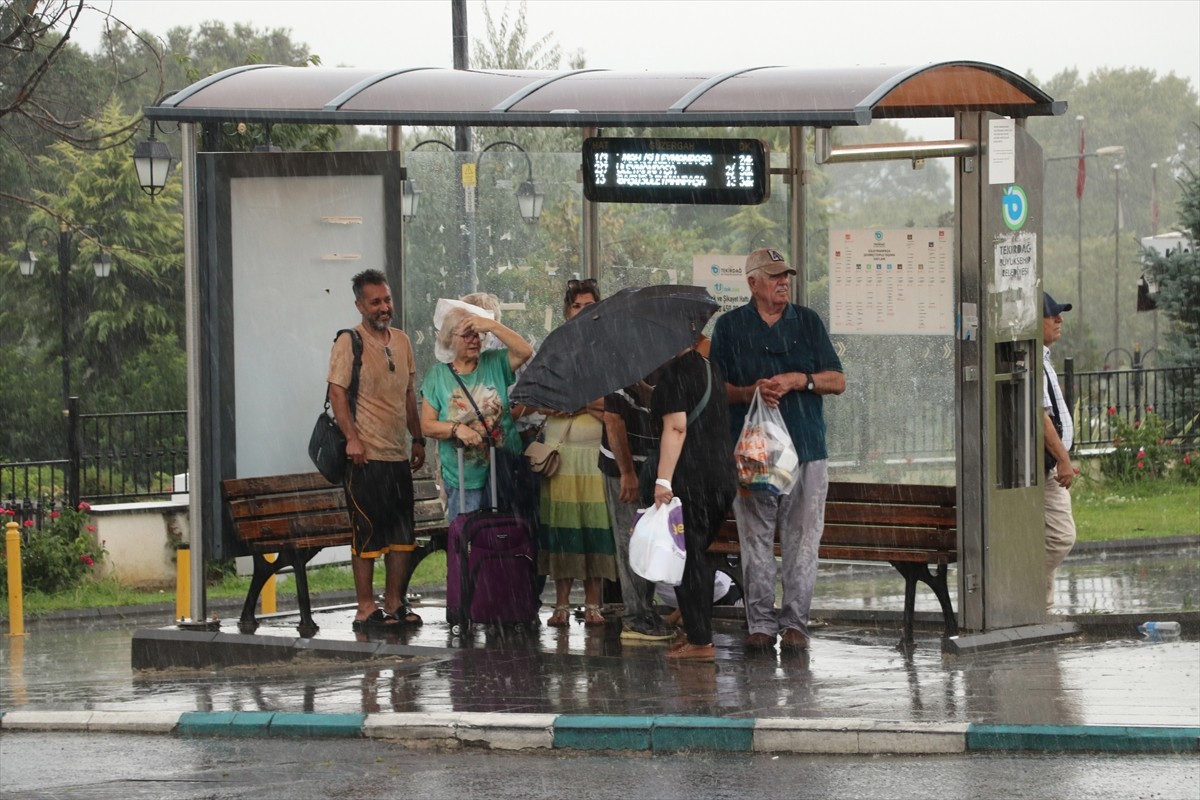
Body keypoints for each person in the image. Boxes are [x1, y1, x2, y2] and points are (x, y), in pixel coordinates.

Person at [710, 248, 845, 654]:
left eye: (785, 275)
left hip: (806, 449)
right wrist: (751, 391)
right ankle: (761, 624)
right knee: (755, 541)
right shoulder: (730, 327)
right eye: (773, 277)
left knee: (804, 540)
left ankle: (796, 626)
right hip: (753, 454)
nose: (783, 282)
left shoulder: (808, 321)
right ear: (752, 283)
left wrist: (798, 380)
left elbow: (837, 380)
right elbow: (716, 389)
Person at [327, 269, 426, 631]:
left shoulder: (401, 341)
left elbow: (408, 394)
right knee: (368, 534)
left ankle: (396, 602)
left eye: (387, 300)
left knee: (402, 536)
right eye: (375, 302)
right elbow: (337, 392)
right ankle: (366, 607)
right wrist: (352, 437)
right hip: (365, 458)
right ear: (360, 305)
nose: (384, 307)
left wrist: (417, 439)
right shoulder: (348, 341)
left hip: (397, 455)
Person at [646, 340, 737, 660]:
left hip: (692, 477)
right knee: (696, 554)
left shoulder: (674, 373)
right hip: (722, 475)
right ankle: (697, 634)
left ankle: (700, 641)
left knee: (687, 558)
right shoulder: (710, 369)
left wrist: (662, 481)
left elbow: (677, 427)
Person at [538, 278, 617, 628]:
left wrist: (580, 401)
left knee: (594, 528)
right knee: (563, 529)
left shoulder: (608, 351)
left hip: (595, 452)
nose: (584, 312)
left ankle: (594, 604)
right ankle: (561, 605)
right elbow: (545, 400)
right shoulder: (554, 348)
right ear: (567, 312)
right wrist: (580, 402)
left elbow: (611, 404)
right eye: (577, 306)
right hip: (561, 453)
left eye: (590, 306)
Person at [419, 306, 533, 519]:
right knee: (470, 540)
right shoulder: (437, 375)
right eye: (467, 335)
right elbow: (427, 425)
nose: (474, 340)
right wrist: (456, 429)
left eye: (478, 335)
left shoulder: (494, 362)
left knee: (507, 538)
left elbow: (525, 351)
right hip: (465, 479)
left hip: (505, 470)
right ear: (450, 338)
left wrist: (491, 325)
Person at [601, 379, 675, 640]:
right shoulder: (621, 371)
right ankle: (635, 616)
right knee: (630, 539)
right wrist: (627, 472)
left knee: (649, 540)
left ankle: (645, 608)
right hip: (625, 468)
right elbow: (612, 419)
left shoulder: (649, 369)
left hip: (651, 466)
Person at [1042, 291, 1078, 611]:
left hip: (1051, 466)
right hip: (1044, 468)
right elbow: (1041, 417)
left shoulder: (1043, 359)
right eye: (1052, 315)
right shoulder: (1033, 360)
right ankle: (1014, 582)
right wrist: (1063, 459)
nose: (1059, 320)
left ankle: (1041, 611)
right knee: (1060, 537)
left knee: (1045, 537)